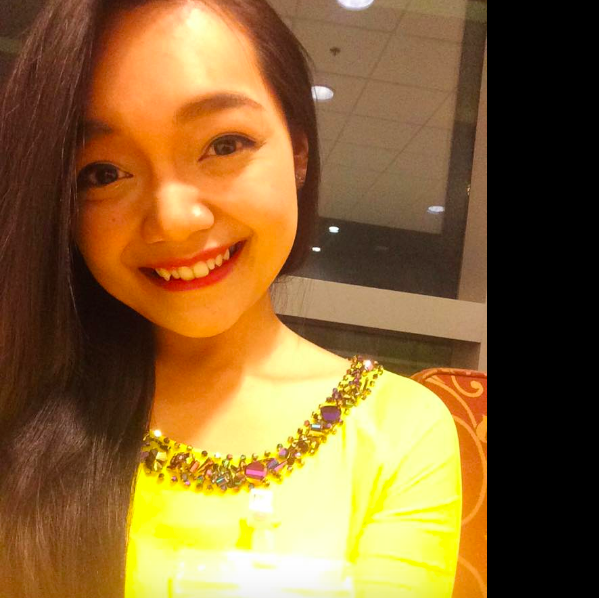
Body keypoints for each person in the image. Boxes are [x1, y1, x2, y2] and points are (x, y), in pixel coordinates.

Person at [0, 1, 461, 597]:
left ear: (298, 151)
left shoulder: (396, 430)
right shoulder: (23, 406)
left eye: (224, 144)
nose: (174, 219)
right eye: (103, 174)